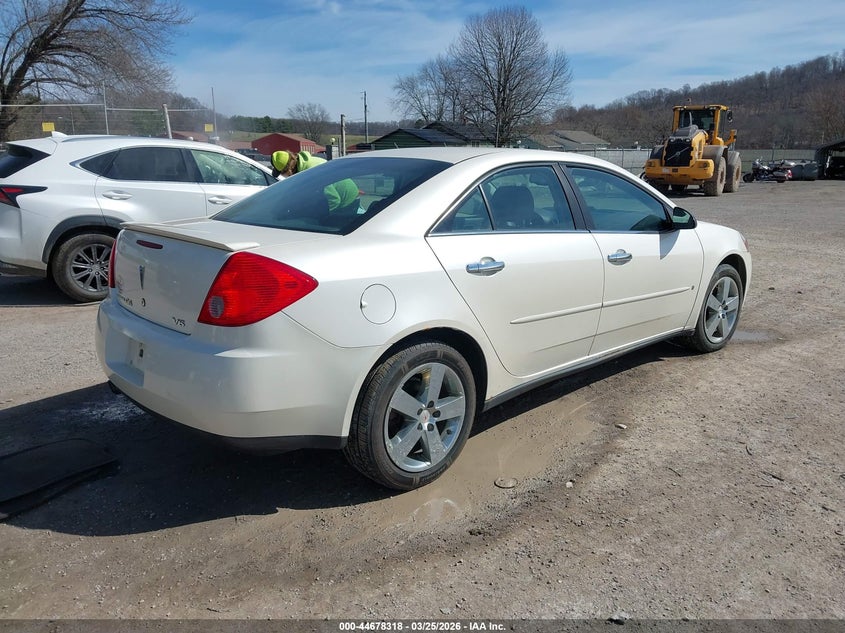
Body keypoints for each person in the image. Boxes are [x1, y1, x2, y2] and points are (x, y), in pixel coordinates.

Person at [272, 149, 362, 214]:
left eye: (281, 173)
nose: (283, 176)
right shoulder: (304, 164)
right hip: (346, 194)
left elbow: (334, 199)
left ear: (288, 170)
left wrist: (320, 216)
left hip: (347, 202)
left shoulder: (310, 171)